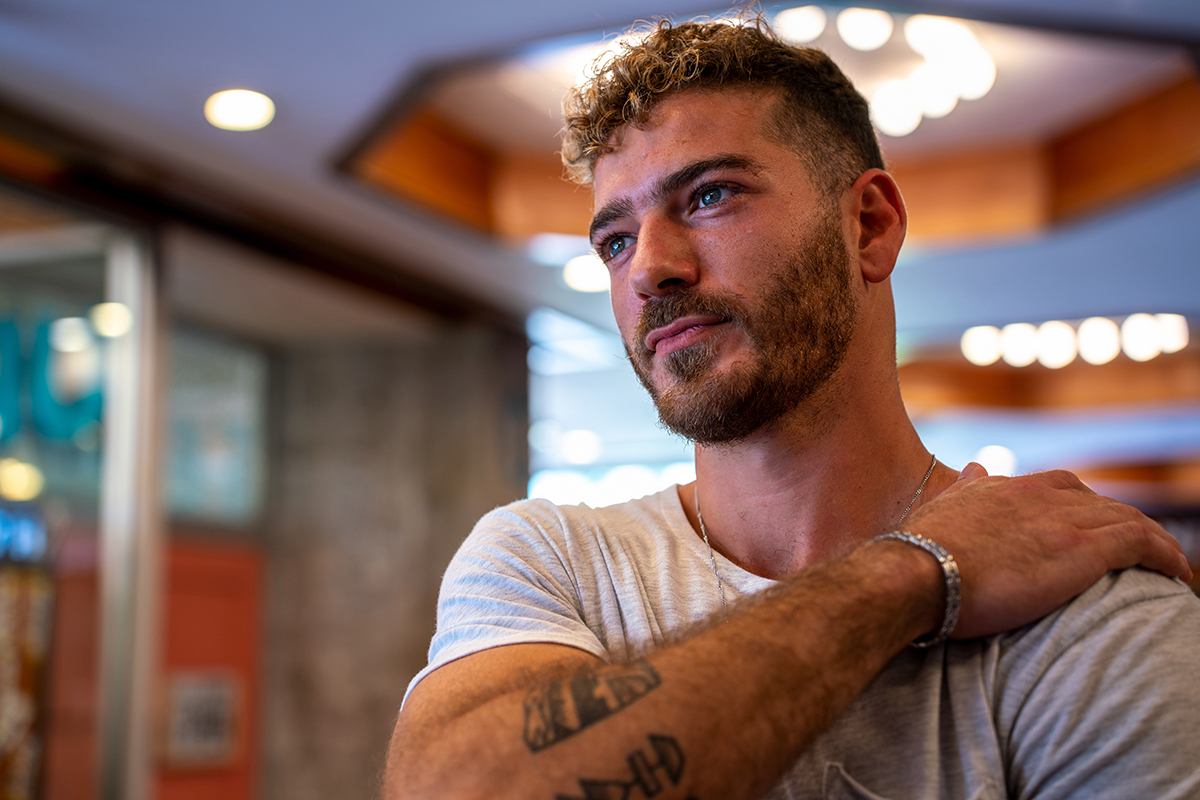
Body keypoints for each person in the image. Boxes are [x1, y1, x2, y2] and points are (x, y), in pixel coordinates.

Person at [384, 18, 1198, 800]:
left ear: (869, 226)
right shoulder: (550, 560)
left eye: (710, 196)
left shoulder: (1081, 597)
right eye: (616, 240)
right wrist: (914, 572)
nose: (649, 271)